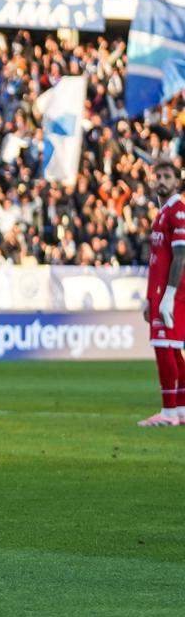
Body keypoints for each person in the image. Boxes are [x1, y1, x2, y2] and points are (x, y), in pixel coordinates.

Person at [139, 160, 185, 427]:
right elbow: (157, 259)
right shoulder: (162, 212)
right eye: (158, 175)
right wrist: (149, 297)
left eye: (167, 176)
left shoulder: (178, 211)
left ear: (176, 181)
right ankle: (179, 409)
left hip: (173, 292)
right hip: (159, 292)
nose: (162, 180)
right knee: (174, 349)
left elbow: (180, 256)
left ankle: (168, 412)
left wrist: (168, 295)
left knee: (164, 347)